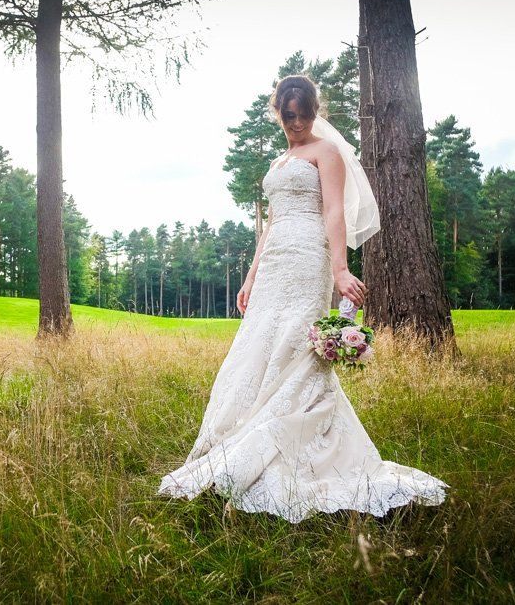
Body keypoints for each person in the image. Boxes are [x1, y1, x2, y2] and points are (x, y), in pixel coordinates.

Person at [157, 75, 448, 522]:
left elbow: (334, 211)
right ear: (277, 112)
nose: (296, 122)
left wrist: (339, 269)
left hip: (310, 256)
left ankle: (296, 445)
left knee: (297, 346)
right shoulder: (278, 162)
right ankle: (242, 437)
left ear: (316, 112)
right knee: (260, 345)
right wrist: (250, 279)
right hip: (276, 261)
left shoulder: (326, 153)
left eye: (305, 114)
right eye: (288, 114)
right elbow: (270, 225)